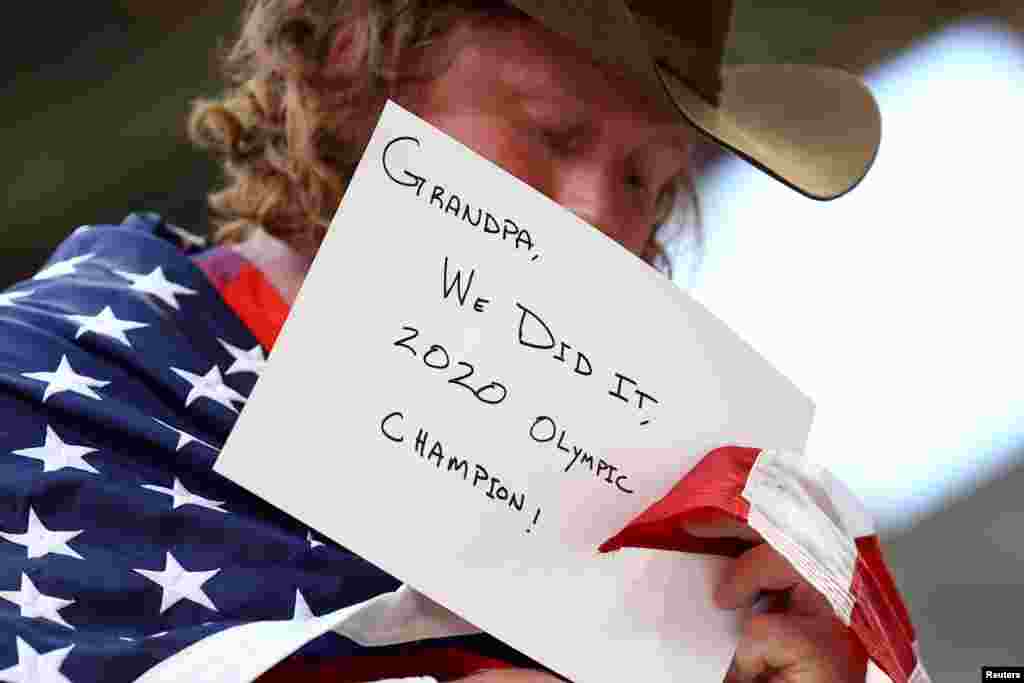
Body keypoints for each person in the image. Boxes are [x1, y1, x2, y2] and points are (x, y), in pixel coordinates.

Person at [0, 2, 926, 683]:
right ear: (360, 72)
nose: (602, 222)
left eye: (646, 177)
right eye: (548, 137)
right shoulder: (47, 377)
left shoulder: (702, 540)